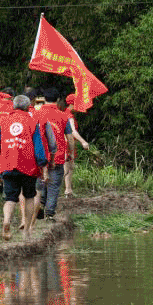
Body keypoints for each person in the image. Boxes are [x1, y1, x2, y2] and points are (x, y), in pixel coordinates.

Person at [0, 95, 48, 240]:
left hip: (7, 164)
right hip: (28, 167)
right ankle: (27, 230)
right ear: (27, 107)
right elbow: (38, 149)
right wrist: (42, 165)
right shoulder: (32, 121)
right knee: (30, 196)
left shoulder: (2, 120)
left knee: (10, 198)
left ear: (13, 106)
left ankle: (6, 222)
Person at [36, 88, 88, 220]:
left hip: (39, 155)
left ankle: (40, 204)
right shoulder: (63, 116)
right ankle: (49, 214)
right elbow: (70, 138)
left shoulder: (36, 114)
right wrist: (70, 153)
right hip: (57, 156)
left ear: (44, 99)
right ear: (57, 100)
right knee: (53, 185)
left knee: (41, 181)